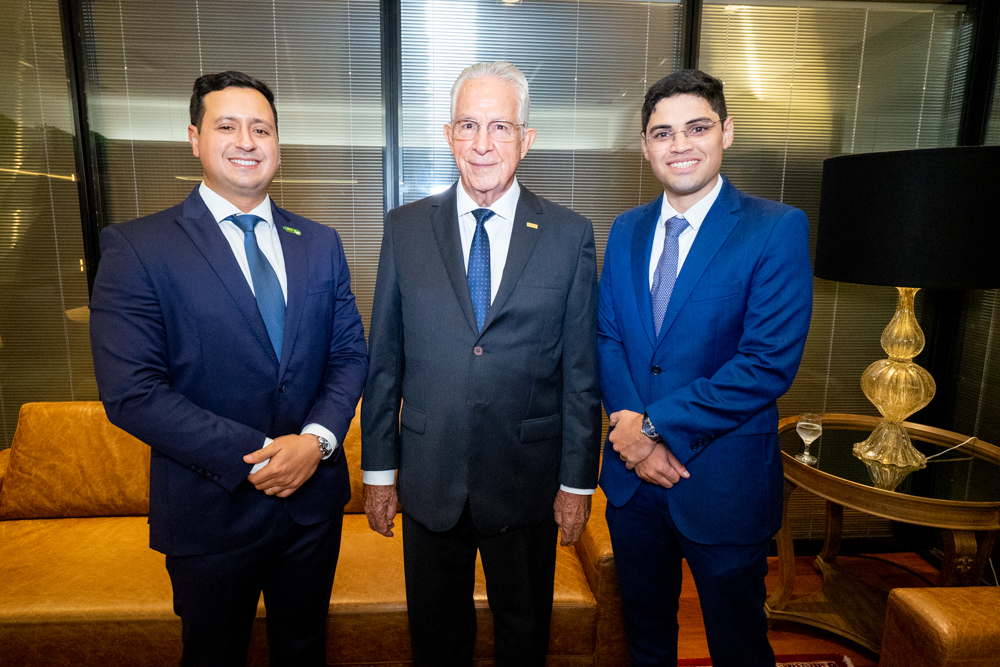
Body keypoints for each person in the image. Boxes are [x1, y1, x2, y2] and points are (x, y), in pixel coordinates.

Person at [89, 70, 368, 667]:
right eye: (227, 126)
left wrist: (316, 443)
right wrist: (264, 454)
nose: (247, 141)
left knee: (304, 651)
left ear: (277, 143)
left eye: (261, 129)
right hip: (209, 512)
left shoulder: (320, 242)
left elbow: (349, 355)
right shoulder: (138, 248)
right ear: (195, 138)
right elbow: (132, 392)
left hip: (312, 508)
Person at [361, 61, 602, 667]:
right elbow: (384, 361)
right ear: (449, 136)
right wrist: (380, 473)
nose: (483, 143)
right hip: (429, 477)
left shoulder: (569, 235)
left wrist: (577, 483)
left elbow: (580, 373)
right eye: (468, 125)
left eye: (500, 126)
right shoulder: (404, 228)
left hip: (527, 480)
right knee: (436, 640)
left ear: (526, 139)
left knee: (524, 636)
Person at [598, 69, 813, 666]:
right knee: (645, 642)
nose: (680, 145)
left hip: (723, 486)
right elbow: (608, 337)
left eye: (697, 128)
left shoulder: (775, 228)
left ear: (727, 132)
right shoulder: (625, 229)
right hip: (632, 487)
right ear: (646, 146)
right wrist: (631, 434)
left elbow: (766, 363)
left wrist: (651, 428)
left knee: (738, 647)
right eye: (663, 133)